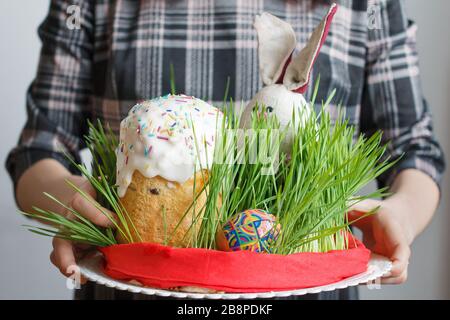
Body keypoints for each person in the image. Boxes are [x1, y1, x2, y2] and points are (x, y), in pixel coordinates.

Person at [6, 0, 445, 300]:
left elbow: (414, 147)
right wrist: (67, 201)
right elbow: (39, 147)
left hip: (315, 289)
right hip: (131, 286)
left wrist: (401, 215)